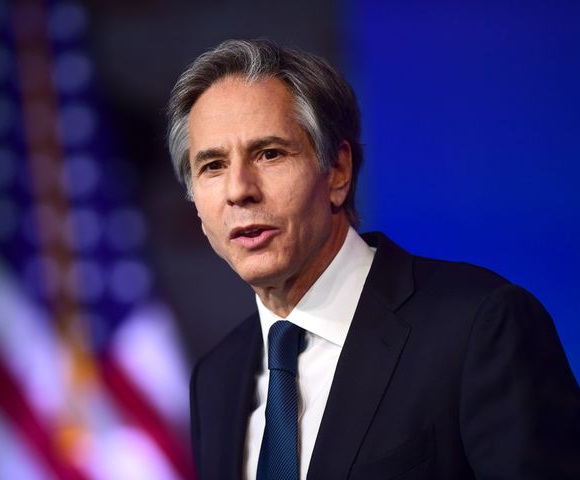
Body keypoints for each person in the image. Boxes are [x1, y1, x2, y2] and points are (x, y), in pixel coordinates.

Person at [166, 39, 580, 480]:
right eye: (212, 165)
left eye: (269, 153)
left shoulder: (480, 326)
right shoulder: (216, 379)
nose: (238, 190)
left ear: (338, 172)